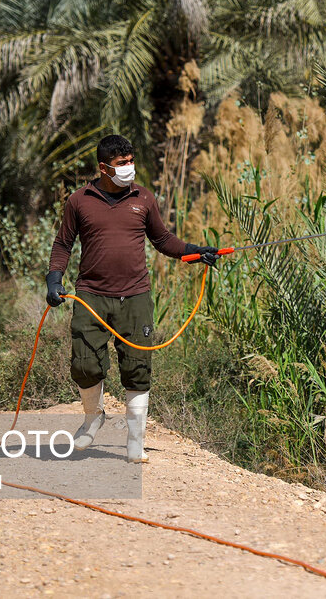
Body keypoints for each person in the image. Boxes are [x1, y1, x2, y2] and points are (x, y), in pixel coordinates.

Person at [45, 135, 218, 461]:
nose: (129, 168)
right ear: (103, 167)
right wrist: (54, 279)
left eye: (130, 161)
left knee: (138, 367)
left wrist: (195, 252)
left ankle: (135, 441)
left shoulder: (144, 198)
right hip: (90, 295)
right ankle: (93, 416)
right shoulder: (79, 200)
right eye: (122, 163)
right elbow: (63, 245)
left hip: (136, 297)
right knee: (84, 364)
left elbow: (163, 240)